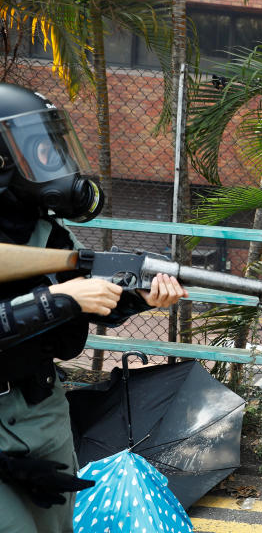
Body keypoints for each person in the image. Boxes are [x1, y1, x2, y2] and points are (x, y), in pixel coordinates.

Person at [0, 83, 187, 533]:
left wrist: (136, 298)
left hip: (40, 411)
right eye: (35, 147)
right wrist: (58, 299)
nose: (50, 161)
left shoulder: (47, 234)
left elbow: (82, 305)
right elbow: (65, 297)